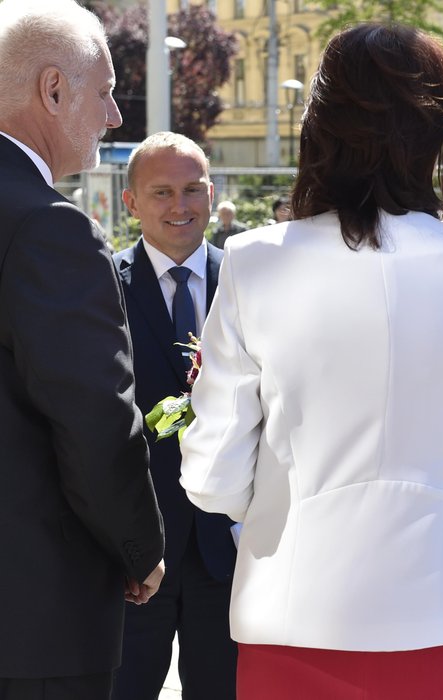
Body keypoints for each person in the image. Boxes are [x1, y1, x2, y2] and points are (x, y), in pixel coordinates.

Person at [179, 24, 443, 699]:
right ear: (438, 134)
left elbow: (211, 476)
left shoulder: (253, 260)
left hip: (296, 610)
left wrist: (284, 498)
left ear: (318, 127)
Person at [0, 1, 165, 697]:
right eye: (105, 92)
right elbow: (95, 417)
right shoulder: (49, 228)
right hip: (36, 620)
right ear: (53, 90)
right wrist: (140, 548)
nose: (116, 116)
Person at [113, 132, 237, 700]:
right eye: (161, 192)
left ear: (212, 194)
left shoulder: (248, 282)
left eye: (192, 189)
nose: (180, 206)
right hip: (137, 551)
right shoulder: (103, 285)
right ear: (131, 202)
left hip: (229, 549)